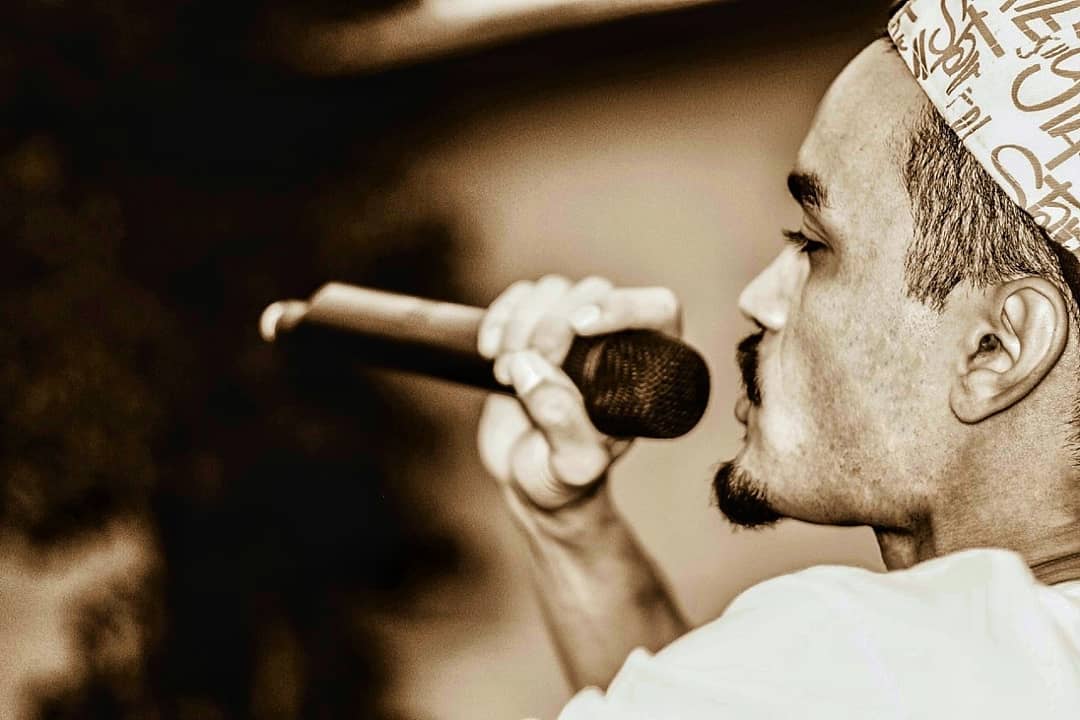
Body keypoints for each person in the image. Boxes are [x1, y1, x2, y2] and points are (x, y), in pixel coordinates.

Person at [475, 1, 1080, 716]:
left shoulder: (844, 651)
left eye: (814, 245)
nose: (759, 298)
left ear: (997, 346)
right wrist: (570, 524)